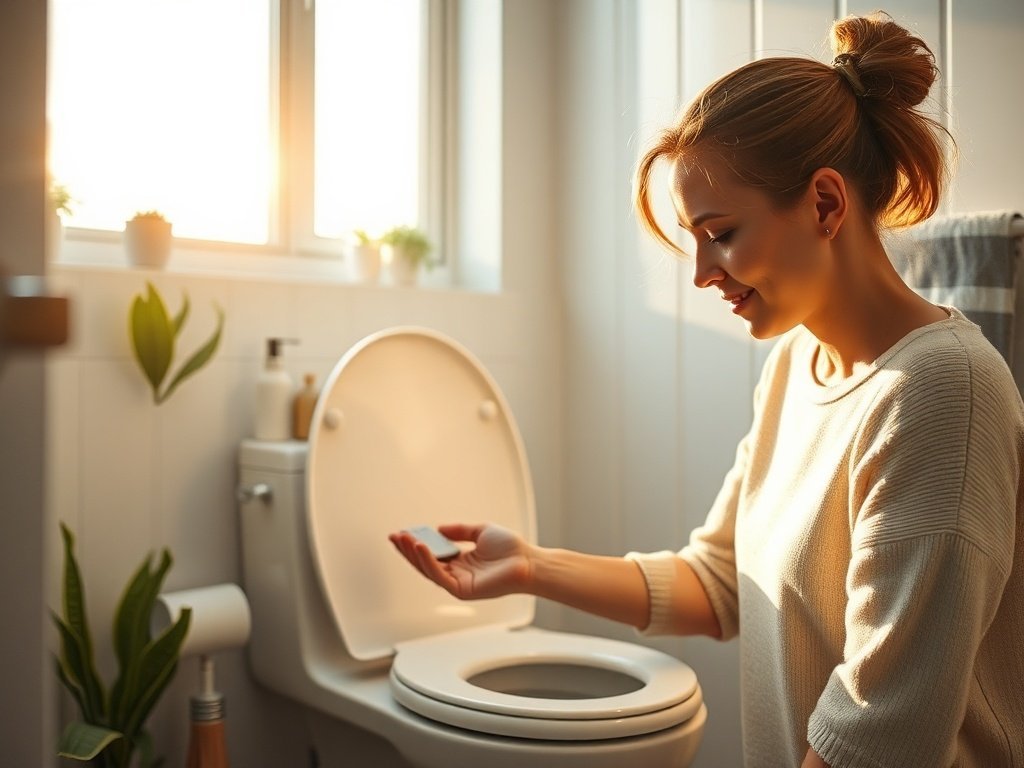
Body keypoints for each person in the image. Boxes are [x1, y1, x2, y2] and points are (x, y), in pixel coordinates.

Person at [390, 11, 1024, 768]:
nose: (702, 272)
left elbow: (879, 736)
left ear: (825, 205)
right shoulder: (798, 363)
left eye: (720, 233)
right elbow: (720, 582)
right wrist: (528, 565)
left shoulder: (942, 392)